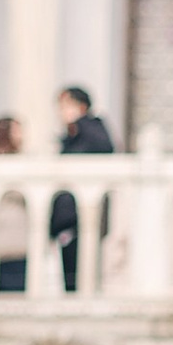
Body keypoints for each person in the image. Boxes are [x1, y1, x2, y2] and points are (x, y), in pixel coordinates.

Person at [50, 85, 114, 295]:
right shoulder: (70, 138)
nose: (62, 112)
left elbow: (105, 148)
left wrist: (81, 120)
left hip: (83, 214)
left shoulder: (93, 129)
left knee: (85, 269)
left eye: (67, 106)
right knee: (70, 274)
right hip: (66, 218)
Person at [0, 116, 29, 294]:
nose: (22, 136)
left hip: (16, 238)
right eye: (17, 130)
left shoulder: (20, 160)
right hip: (6, 237)